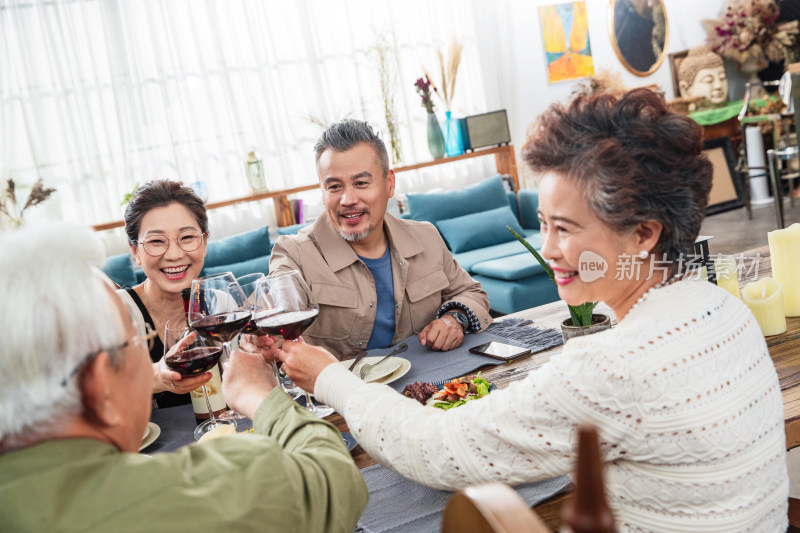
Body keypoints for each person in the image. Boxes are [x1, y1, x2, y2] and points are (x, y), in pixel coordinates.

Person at [273, 90, 789, 531]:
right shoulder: (723, 306)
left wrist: (331, 379)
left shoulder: (612, 366)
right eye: (542, 224)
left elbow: (434, 448)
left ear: (643, 234)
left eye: (564, 228)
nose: (548, 249)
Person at [0, 222, 367, 532]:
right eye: (135, 344)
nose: (174, 253)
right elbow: (336, 480)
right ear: (99, 385)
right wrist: (263, 397)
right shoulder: (185, 492)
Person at [268, 119, 491, 359]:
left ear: (389, 184)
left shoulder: (426, 236)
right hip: (339, 393)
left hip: (430, 385)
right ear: (322, 193)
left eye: (361, 183)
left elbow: (473, 294)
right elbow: (274, 317)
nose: (347, 199)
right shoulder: (293, 254)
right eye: (334, 187)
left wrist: (454, 319)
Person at [119, 179, 212, 407]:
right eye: (157, 241)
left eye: (187, 237)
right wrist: (157, 376)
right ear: (135, 252)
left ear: (205, 241)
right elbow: (89, 390)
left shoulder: (221, 302)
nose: (173, 255)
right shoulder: (116, 312)